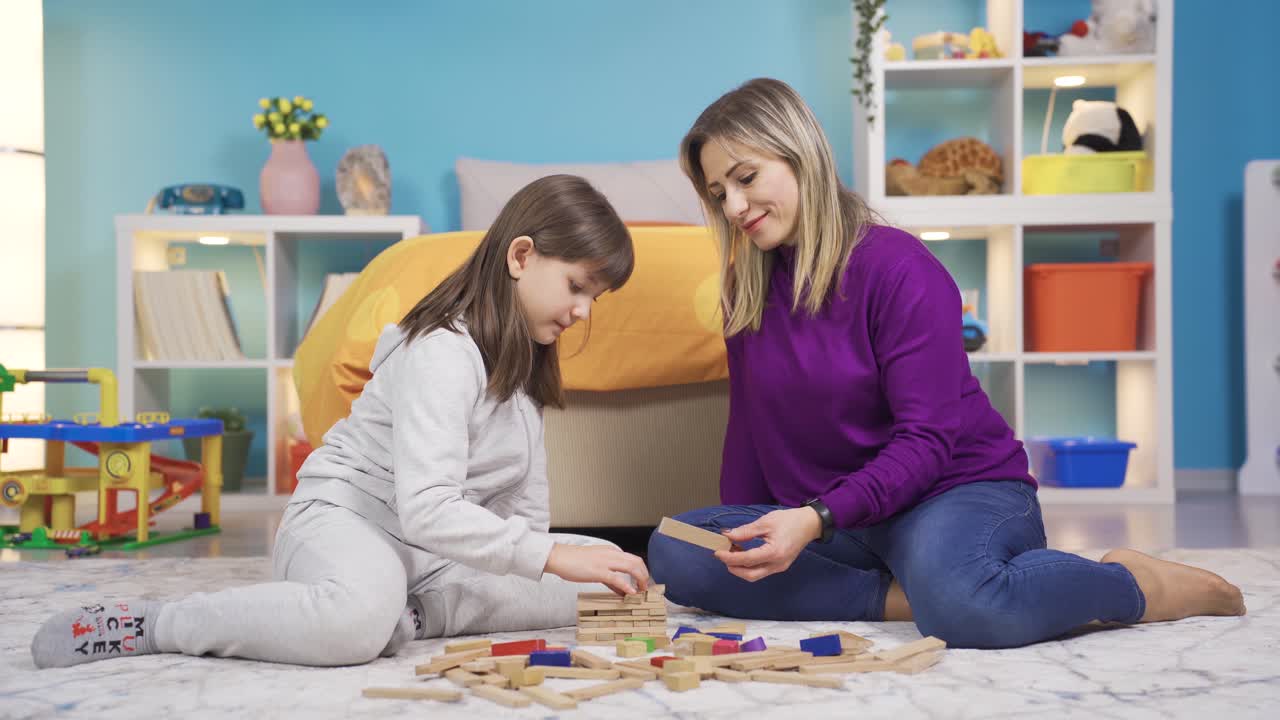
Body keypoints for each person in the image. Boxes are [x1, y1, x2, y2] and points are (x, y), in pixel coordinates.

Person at [647, 78, 1245, 649]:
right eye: (718, 193)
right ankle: (911, 598)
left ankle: (1134, 584)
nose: (734, 206)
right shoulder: (744, 290)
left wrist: (813, 519)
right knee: (677, 552)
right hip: (836, 519)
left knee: (967, 606)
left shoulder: (898, 268)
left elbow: (928, 440)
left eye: (746, 178)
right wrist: (746, 539)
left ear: (801, 154)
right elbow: (751, 431)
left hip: (952, 490)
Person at [32, 174, 650, 668]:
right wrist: (546, 555)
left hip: (434, 560)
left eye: (594, 297)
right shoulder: (441, 350)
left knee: (603, 579)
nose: (582, 311)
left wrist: (556, 558)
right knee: (354, 621)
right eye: (577, 286)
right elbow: (430, 508)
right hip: (348, 523)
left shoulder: (525, 371)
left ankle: (413, 616)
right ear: (521, 255)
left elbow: (524, 518)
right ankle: (162, 624)